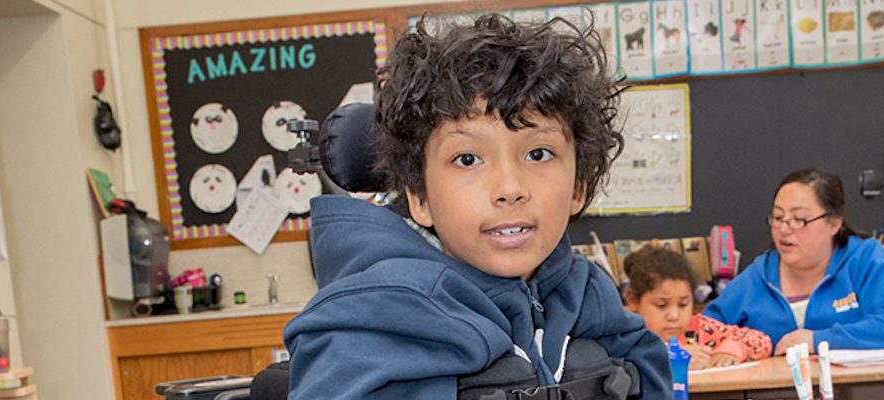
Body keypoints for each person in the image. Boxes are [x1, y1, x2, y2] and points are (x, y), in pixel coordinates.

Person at [283, 13, 671, 399]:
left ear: (578, 186)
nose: (509, 188)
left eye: (538, 153)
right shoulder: (365, 327)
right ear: (419, 198)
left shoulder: (591, 297)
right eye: (467, 159)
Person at [703, 167, 884, 400]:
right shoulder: (758, 277)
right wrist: (725, 347)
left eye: (799, 220)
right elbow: (703, 331)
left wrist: (818, 340)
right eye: (778, 218)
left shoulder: (866, 261)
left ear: (833, 223)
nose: (783, 229)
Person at [624, 246, 772, 370]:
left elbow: (761, 339)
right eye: (661, 305)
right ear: (632, 299)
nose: (674, 316)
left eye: (683, 304)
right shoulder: (627, 336)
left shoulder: (701, 329)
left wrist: (734, 349)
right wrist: (674, 358)